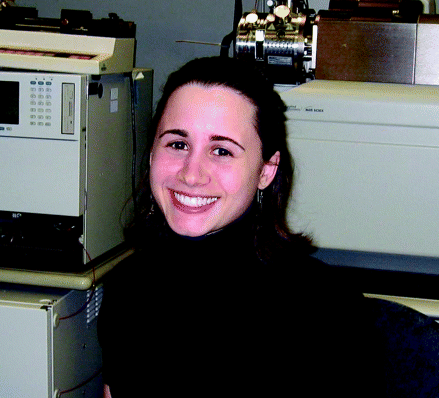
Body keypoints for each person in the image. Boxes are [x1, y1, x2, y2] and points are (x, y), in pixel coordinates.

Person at [98, 56, 385, 397]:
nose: (191, 174)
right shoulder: (127, 287)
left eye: (221, 151)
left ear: (266, 170)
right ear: (151, 155)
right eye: (178, 144)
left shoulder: (324, 308)